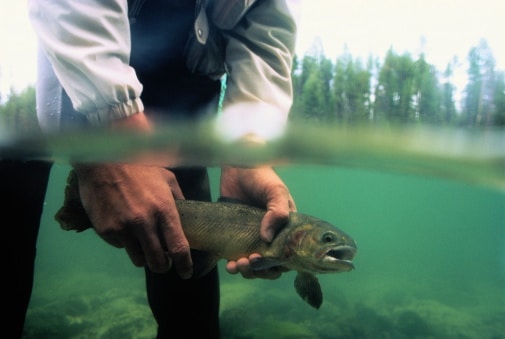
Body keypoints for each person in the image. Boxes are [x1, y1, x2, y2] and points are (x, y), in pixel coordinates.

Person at [26, 0, 298, 337]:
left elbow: (266, 29)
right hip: (69, 64)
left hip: (185, 101)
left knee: (192, 310)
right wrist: (112, 126)